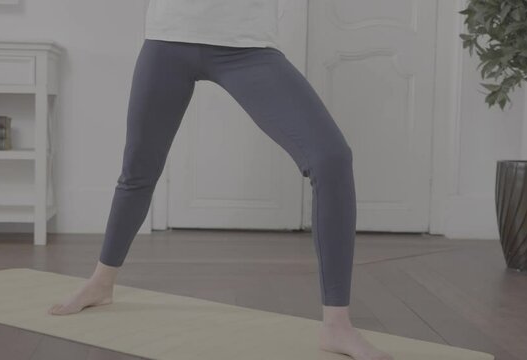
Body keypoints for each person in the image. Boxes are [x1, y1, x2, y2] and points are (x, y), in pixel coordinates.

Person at [48, 1, 394, 359]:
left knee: (332, 158)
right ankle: (101, 283)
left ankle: (337, 326)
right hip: (169, 36)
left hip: (247, 44)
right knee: (137, 171)